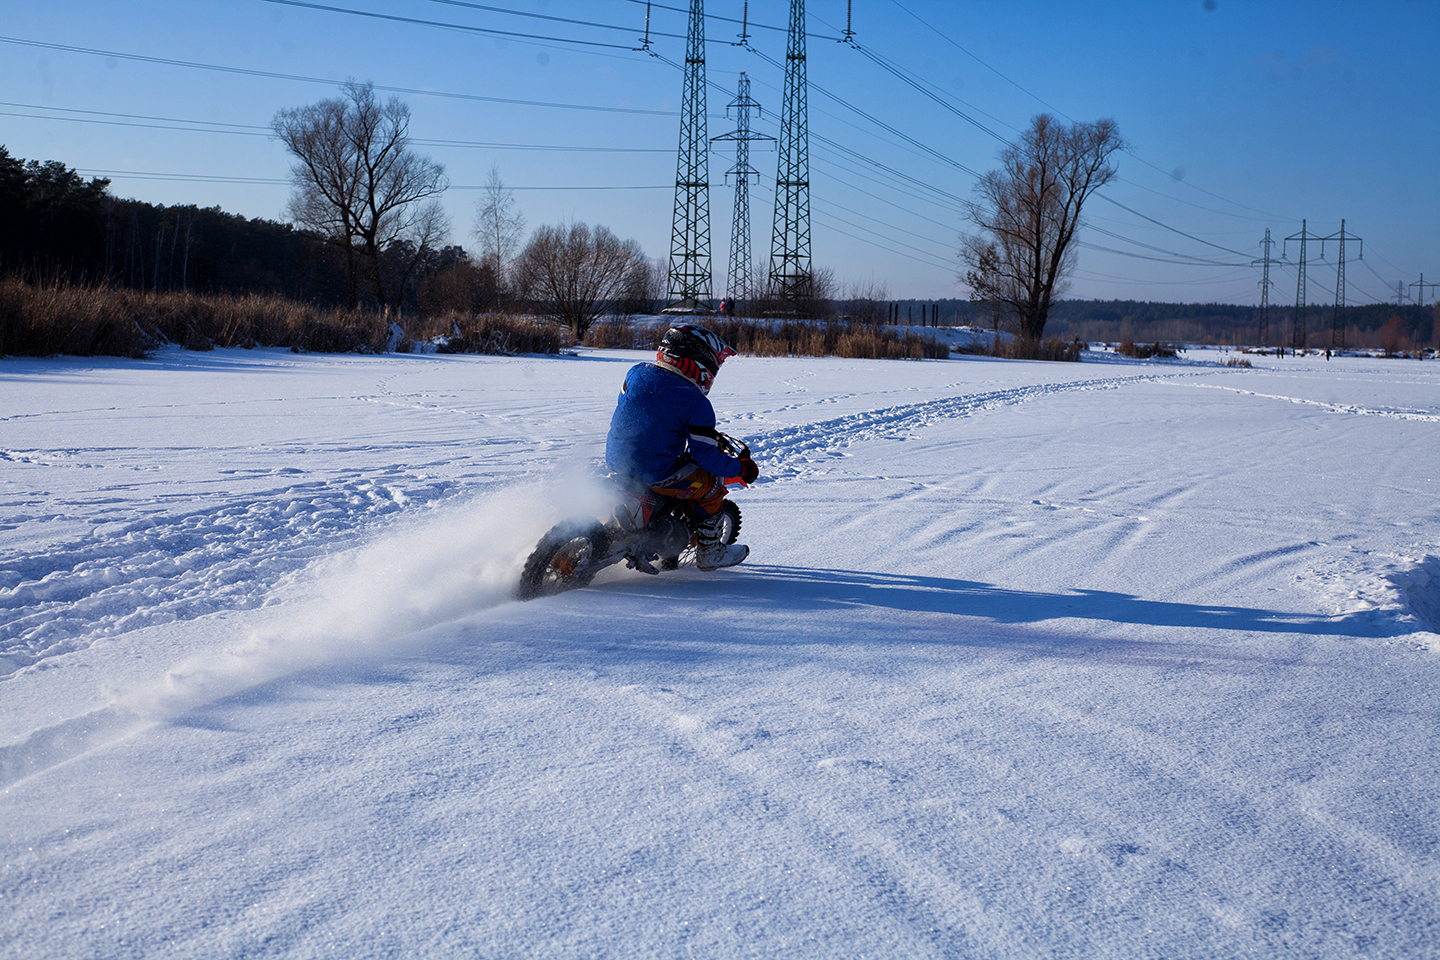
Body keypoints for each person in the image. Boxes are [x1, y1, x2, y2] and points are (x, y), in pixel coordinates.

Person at [605, 324, 759, 571]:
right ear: (698, 360)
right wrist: (739, 469)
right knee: (712, 484)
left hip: (616, 460)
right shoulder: (695, 402)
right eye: (714, 364)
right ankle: (710, 553)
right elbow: (706, 455)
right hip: (655, 472)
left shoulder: (636, 373)